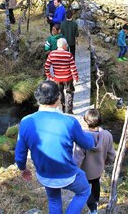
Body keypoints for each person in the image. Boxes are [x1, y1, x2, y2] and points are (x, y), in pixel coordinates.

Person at [15, 80, 95, 214]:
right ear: (58, 98)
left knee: (54, 199)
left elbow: (19, 154)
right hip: (67, 174)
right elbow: (88, 144)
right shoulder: (69, 122)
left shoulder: (26, 121)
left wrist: (23, 169)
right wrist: (88, 133)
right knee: (84, 191)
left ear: (37, 98)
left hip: (45, 175)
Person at [73, 109, 116, 214]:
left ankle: (89, 207)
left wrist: (73, 171)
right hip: (98, 169)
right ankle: (94, 208)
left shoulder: (82, 137)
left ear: (86, 121)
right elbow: (112, 154)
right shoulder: (107, 135)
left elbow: (77, 158)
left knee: (85, 189)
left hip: (84, 171)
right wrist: (106, 162)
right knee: (96, 185)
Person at [45, 38, 79, 114]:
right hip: (68, 78)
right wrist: (76, 77)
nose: (67, 46)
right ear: (64, 46)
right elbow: (73, 67)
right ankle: (68, 111)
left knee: (60, 93)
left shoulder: (52, 54)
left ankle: (62, 109)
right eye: (66, 45)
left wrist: (50, 77)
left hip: (57, 78)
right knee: (69, 92)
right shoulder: (68, 54)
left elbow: (46, 67)